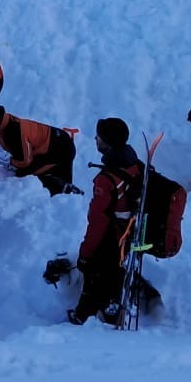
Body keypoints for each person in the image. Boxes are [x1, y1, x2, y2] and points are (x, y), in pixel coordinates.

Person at [70, 117, 142, 326]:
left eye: (99, 136)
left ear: (108, 142)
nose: (95, 138)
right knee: (114, 272)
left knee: (93, 271)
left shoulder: (106, 179)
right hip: (129, 233)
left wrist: (85, 253)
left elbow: (97, 221)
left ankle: (83, 317)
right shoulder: (134, 164)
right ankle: (110, 307)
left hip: (111, 236)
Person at [0, 102, 80, 195]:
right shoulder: (2, 124)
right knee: (32, 169)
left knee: (25, 173)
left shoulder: (13, 132)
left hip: (62, 150)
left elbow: (24, 161)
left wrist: (11, 162)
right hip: (58, 142)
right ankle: (65, 190)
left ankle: (62, 192)